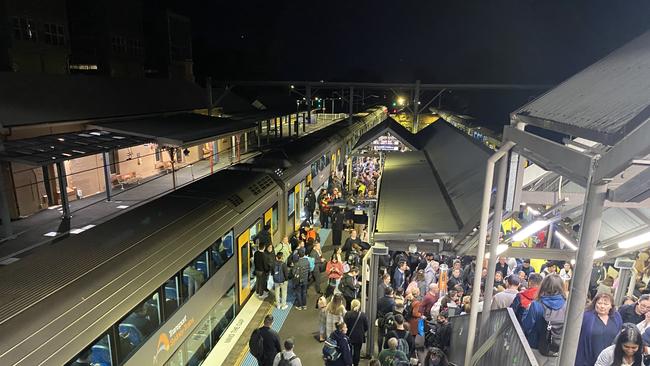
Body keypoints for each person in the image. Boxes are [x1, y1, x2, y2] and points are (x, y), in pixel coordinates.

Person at [521, 274, 567, 358]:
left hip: (536, 349)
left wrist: (526, 312)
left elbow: (526, 326)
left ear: (543, 286)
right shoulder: (567, 305)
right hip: (559, 351)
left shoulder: (536, 305)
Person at [575, 293, 623, 366]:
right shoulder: (586, 317)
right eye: (599, 303)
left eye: (606, 304)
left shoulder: (616, 317)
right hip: (588, 358)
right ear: (595, 304)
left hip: (609, 359)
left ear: (611, 306)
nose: (602, 306)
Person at [344, 299, 369, 366]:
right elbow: (366, 326)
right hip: (359, 337)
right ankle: (356, 364)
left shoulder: (348, 314)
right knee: (357, 351)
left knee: (349, 350)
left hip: (349, 336)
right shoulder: (363, 315)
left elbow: (344, 325)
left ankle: (349, 363)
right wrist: (362, 332)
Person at [377, 287, 396, 352]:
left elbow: (377, 309)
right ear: (391, 292)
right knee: (389, 334)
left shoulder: (380, 300)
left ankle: (379, 349)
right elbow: (394, 311)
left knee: (380, 334)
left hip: (380, 319)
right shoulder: (393, 302)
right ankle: (386, 349)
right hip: (389, 320)